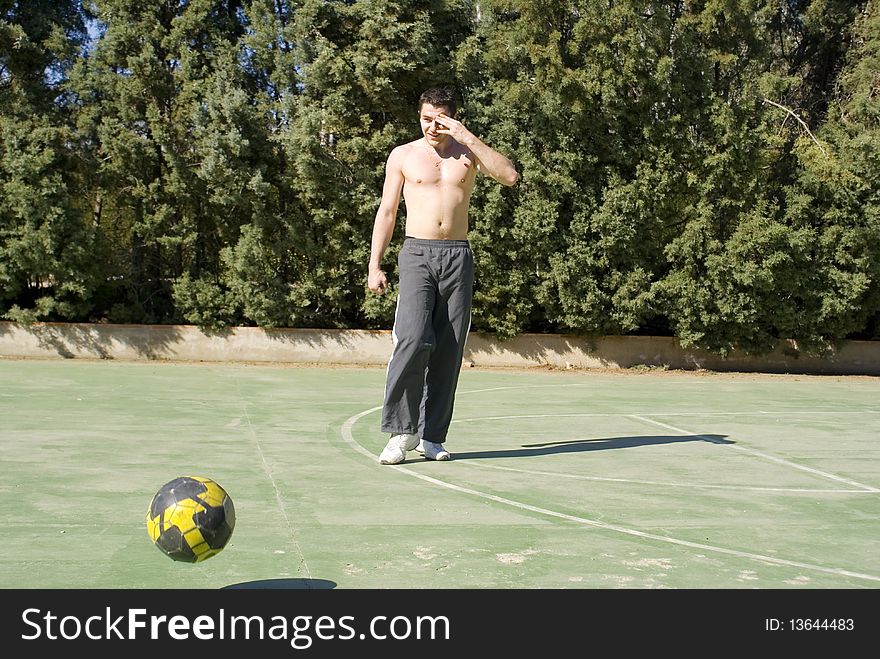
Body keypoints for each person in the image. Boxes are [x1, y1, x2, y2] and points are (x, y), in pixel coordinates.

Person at [367, 86, 519, 464]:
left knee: (449, 350)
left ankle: (432, 436)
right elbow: (387, 211)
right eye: (425, 118)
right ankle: (401, 433)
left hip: (457, 255)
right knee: (413, 340)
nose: (431, 127)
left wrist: (466, 135)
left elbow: (509, 176)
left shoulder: (467, 153)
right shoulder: (404, 155)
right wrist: (375, 264)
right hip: (417, 253)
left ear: (451, 117)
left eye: (439, 119)